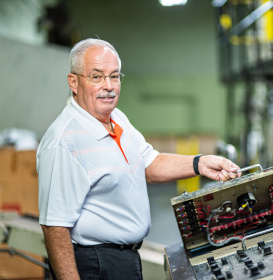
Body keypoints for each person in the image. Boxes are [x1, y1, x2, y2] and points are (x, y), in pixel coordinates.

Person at [36, 38, 241, 280]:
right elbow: (55, 228)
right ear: (73, 82)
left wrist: (200, 163)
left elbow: (148, 162)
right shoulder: (64, 142)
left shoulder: (117, 118)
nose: (109, 86)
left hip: (125, 259)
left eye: (114, 76)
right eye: (96, 77)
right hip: (95, 265)